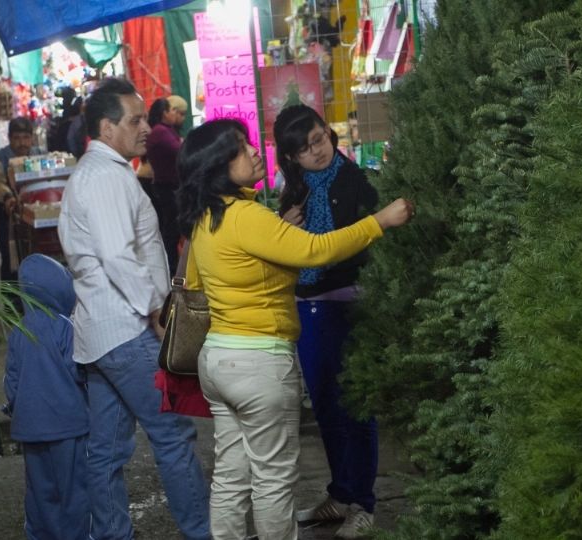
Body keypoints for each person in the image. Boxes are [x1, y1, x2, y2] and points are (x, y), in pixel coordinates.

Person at [176, 118, 414, 540]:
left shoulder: (204, 218)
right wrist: (380, 221)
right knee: (272, 478)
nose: (253, 151)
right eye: (239, 149)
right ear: (217, 167)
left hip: (217, 360)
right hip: (258, 362)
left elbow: (196, 284)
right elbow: (316, 250)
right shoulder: (247, 216)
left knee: (231, 475)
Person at [57, 77, 211, 540]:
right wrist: (155, 313)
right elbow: (117, 256)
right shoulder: (104, 176)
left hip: (103, 335)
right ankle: (201, 532)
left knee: (105, 452)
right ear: (107, 128)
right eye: (136, 120)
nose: (147, 127)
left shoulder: (105, 171)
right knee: (173, 438)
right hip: (126, 330)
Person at [274, 104, 380, 538]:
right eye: (304, 148)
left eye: (319, 139)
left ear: (329, 133)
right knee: (326, 407)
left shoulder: (356, 181)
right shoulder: (293, 189)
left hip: (348, 303)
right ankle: (340, 494)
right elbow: (285, 249)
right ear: (291, 157)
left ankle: (364, 503)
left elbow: (368, 241)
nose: (316, 151)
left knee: (358, 404)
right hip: (307, 307)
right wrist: (284, 226)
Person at [3, 253, 89, 540]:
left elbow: (11, 381)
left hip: (30, 427)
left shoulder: (18, 331)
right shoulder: (66, 327)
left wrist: (15, 405)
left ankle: (42, 534)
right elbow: (78, 371)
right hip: (68, 425)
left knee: (39, 490)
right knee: (74, 489)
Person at [0, 117, 42, 282]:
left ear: (32, 138)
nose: (22, 143)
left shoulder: (40, 155)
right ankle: (12, 302)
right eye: (17, 138)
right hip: (6, 214)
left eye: (26, 138)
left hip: (34, 214)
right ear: (10, 139)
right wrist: (8, 197)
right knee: (11, 258)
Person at [146, 95, 188, 276]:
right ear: (164, 113)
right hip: (166, 186)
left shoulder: (165, 130)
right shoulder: (160, 132)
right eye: (173, 111)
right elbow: (179, 151)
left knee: (172, 228)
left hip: (169, 184)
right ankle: (171, 268)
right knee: (171, 229)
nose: (177, 115)